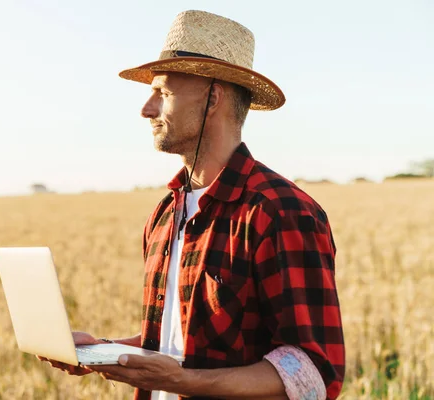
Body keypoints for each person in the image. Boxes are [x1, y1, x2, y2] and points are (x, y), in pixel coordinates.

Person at [39, 10, 345, 400]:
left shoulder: (279, 211)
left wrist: (184, 383)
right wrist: (99, 351)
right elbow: (174, 341)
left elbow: (312, 373)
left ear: (212, 98)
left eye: (163, 93)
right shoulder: (167, 213)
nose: (146, 109)